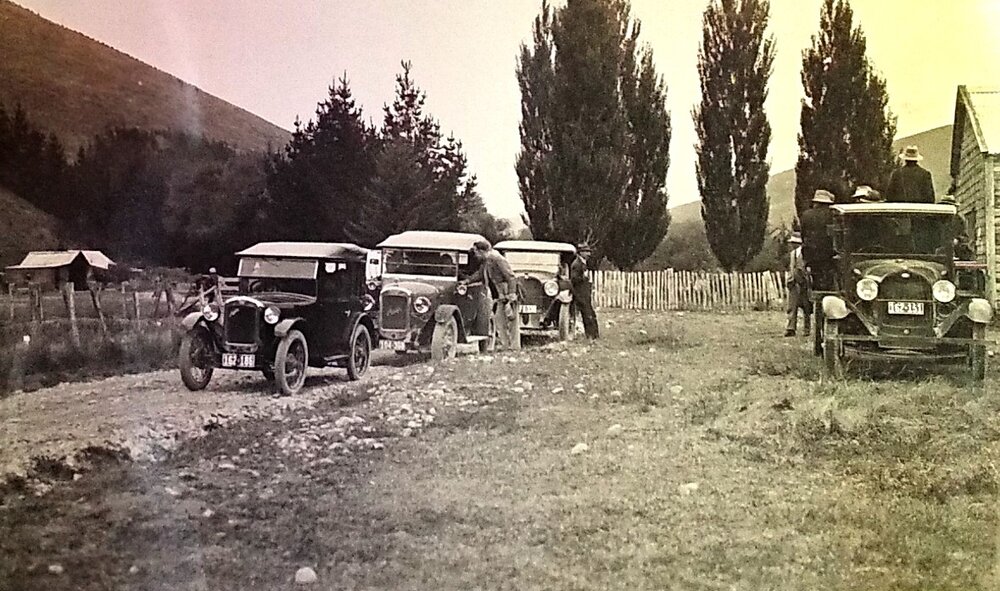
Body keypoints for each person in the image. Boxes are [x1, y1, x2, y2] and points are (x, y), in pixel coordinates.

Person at [463, 240, 519, 349]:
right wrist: (467, 281)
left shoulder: (498, 259)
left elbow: (511, 277)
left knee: (511, 320)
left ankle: (514, 347)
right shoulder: (487, 260)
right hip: (499, 295)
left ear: (482, 251)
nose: (475, 255)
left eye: (476, 252)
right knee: (500, 320)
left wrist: (512, 294)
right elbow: (480, 274)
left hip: (507, 294)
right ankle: (506, 346)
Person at [800, 189, 837, 292]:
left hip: (811, 253)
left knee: (814, 277)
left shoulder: (806, 215)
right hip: (829, 253)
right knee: (830, 278)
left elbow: (803, 234)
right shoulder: (832, 215)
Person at [784, 232, 811, 337]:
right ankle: (791, 328)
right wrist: (790, 279)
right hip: (794, 283)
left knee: (806, 307)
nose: (792, 245)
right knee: (792, 307)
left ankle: (807, 329)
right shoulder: (793, 254)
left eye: (794, 243)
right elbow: (791, 267)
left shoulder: (806, 253)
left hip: (804, 283)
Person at [570, 243, 599, 339]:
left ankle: (594, 335)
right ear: (580, 253)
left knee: (590, 314)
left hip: (584, 293)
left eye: (589, 252)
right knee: (587, 315)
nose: (588, 254)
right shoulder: (576, 264)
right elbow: (574, 279)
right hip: (580, 294)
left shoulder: (582, 263)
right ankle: (591, 335)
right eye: (586, 252)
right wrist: (584, 278)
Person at [939, 194, 974, 260]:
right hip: (941, 251)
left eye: (950, 206)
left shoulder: (959, 220)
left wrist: (957, 240)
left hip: (956, 251)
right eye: (945, 205)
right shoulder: (937, 219)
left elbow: (965, 237)